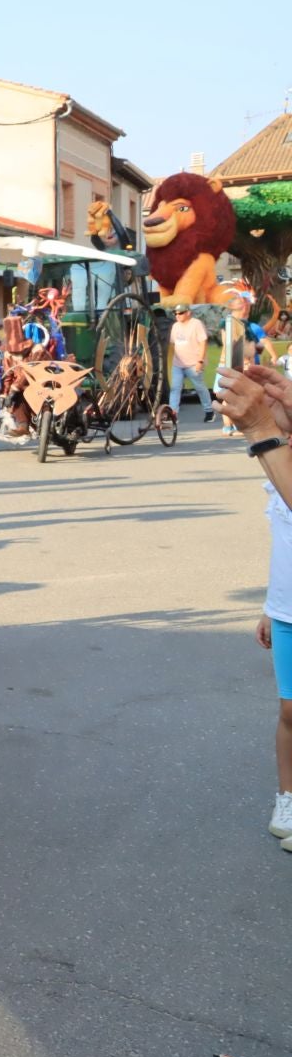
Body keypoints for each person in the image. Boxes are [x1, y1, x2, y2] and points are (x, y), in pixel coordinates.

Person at [212, 362, 292, 852]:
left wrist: (262, 429)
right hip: (287, 609)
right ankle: (288, 794)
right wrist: (269, 605)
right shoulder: (280, 467)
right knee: (290, 711)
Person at [168, 302, 213, 423]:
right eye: (176, 313)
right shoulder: (175, 326)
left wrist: (200, 361)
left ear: (188, 313)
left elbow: (203, 342)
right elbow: (173, 344)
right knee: (175, 388)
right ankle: (173, 414)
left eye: (181, 313)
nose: (177, 315)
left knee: (200, 388)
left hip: (193, 363)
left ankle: (209, 411)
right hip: (178, 364)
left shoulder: (196, 324)